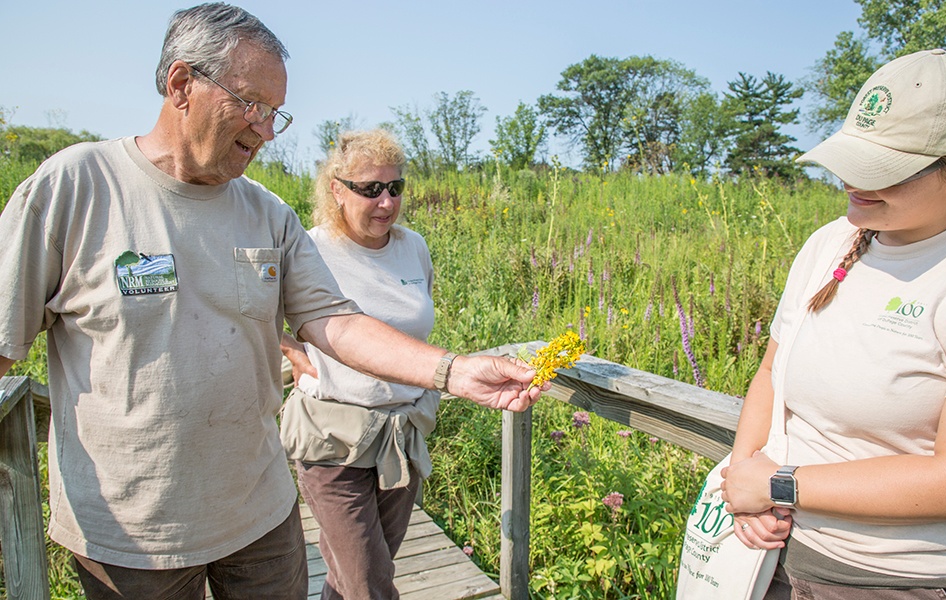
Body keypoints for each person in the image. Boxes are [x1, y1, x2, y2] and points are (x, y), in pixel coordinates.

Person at [0, 4, 544, 599]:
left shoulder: (265, 213)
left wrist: (455, 372)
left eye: (274, 114)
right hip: (132, 539)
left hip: (261, 518)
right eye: (251, 104)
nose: (263, 129)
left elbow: (332, 320)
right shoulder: (74, 188)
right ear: (182, 85)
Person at [719, 48, 946, 599]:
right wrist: (743, 481)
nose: (851, 181)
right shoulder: (830, 242)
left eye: (883, 170)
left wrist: (781, 484)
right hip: (775, 553)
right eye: (852, 159)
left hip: (899, 578)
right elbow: (772, 372)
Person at [278, 128, 437, 599]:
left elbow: (415, 323)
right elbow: (248, 310)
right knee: (370, 582)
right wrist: (289, 349)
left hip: (401, 435)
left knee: (354, 574)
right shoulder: (309, 248)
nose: (386, 202)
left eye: (395, 188)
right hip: (333, 438)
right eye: (370, 190)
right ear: (337, 189)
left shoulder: (414, 247)